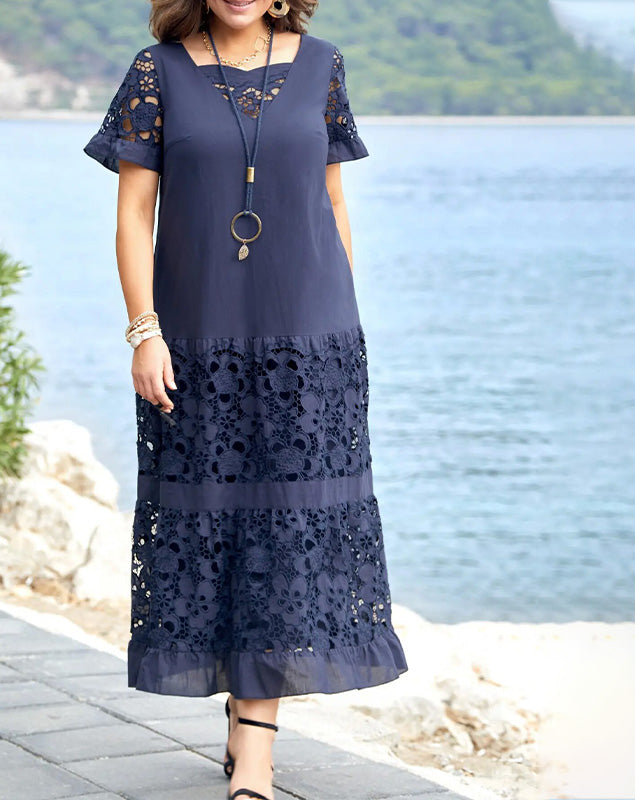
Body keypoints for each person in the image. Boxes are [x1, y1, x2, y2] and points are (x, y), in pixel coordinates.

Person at [83, 1, 409, 798]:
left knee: (286, 534)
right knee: (219, 526)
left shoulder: (322, 64)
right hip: (197, 340)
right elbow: (133, 214)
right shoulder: (156, 72)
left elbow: (332, 202)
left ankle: (254, 749)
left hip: (310, 339)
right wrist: (144, 332)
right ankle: (244, 718)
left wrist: (340, 326)